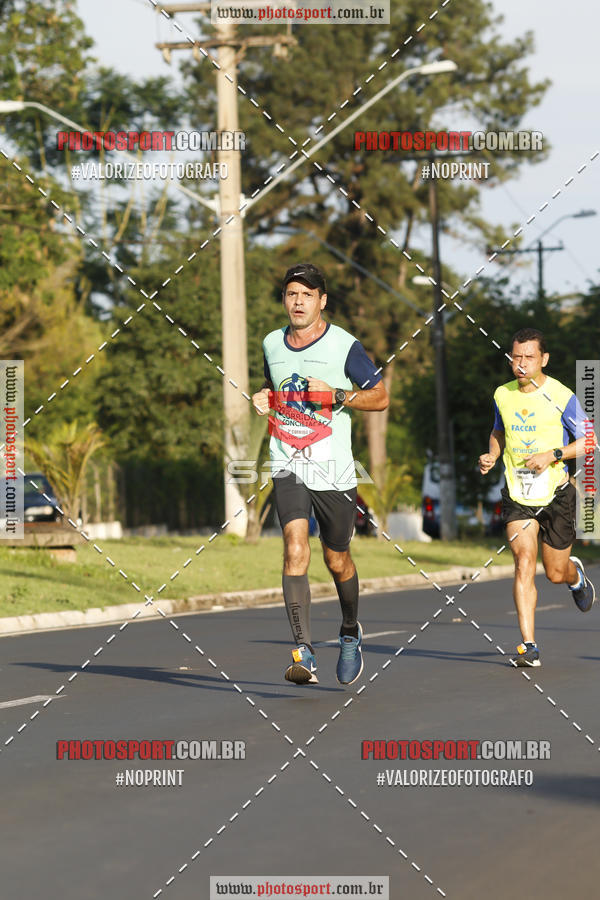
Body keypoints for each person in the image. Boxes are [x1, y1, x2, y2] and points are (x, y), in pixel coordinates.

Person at [251, 263, 388, 685]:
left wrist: (338, 395)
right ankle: (303, 652)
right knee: (294, 547)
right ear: (284, 299)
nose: (298, 301)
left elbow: (380, 397)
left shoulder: (345, 346)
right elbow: (273, 388)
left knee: (337, 558)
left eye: (307, 295)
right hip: (287, 459)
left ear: (322, 301)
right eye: (292, 294)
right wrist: (264, 398)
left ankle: (349, 631)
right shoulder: (272, 343)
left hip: (333, 467)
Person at [478, 328, 596, 667]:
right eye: (516, 357)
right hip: (518, 493)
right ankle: (528, 645)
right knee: (523, 561)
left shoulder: (561, 395)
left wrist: (553, 454)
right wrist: (491, 454)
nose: (521, 364)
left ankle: (574, 576)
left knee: (554, 572)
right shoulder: (503, 394)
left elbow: (590, 441)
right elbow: (498, 430)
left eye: (529, 357)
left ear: (543, 359)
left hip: (557, 493)